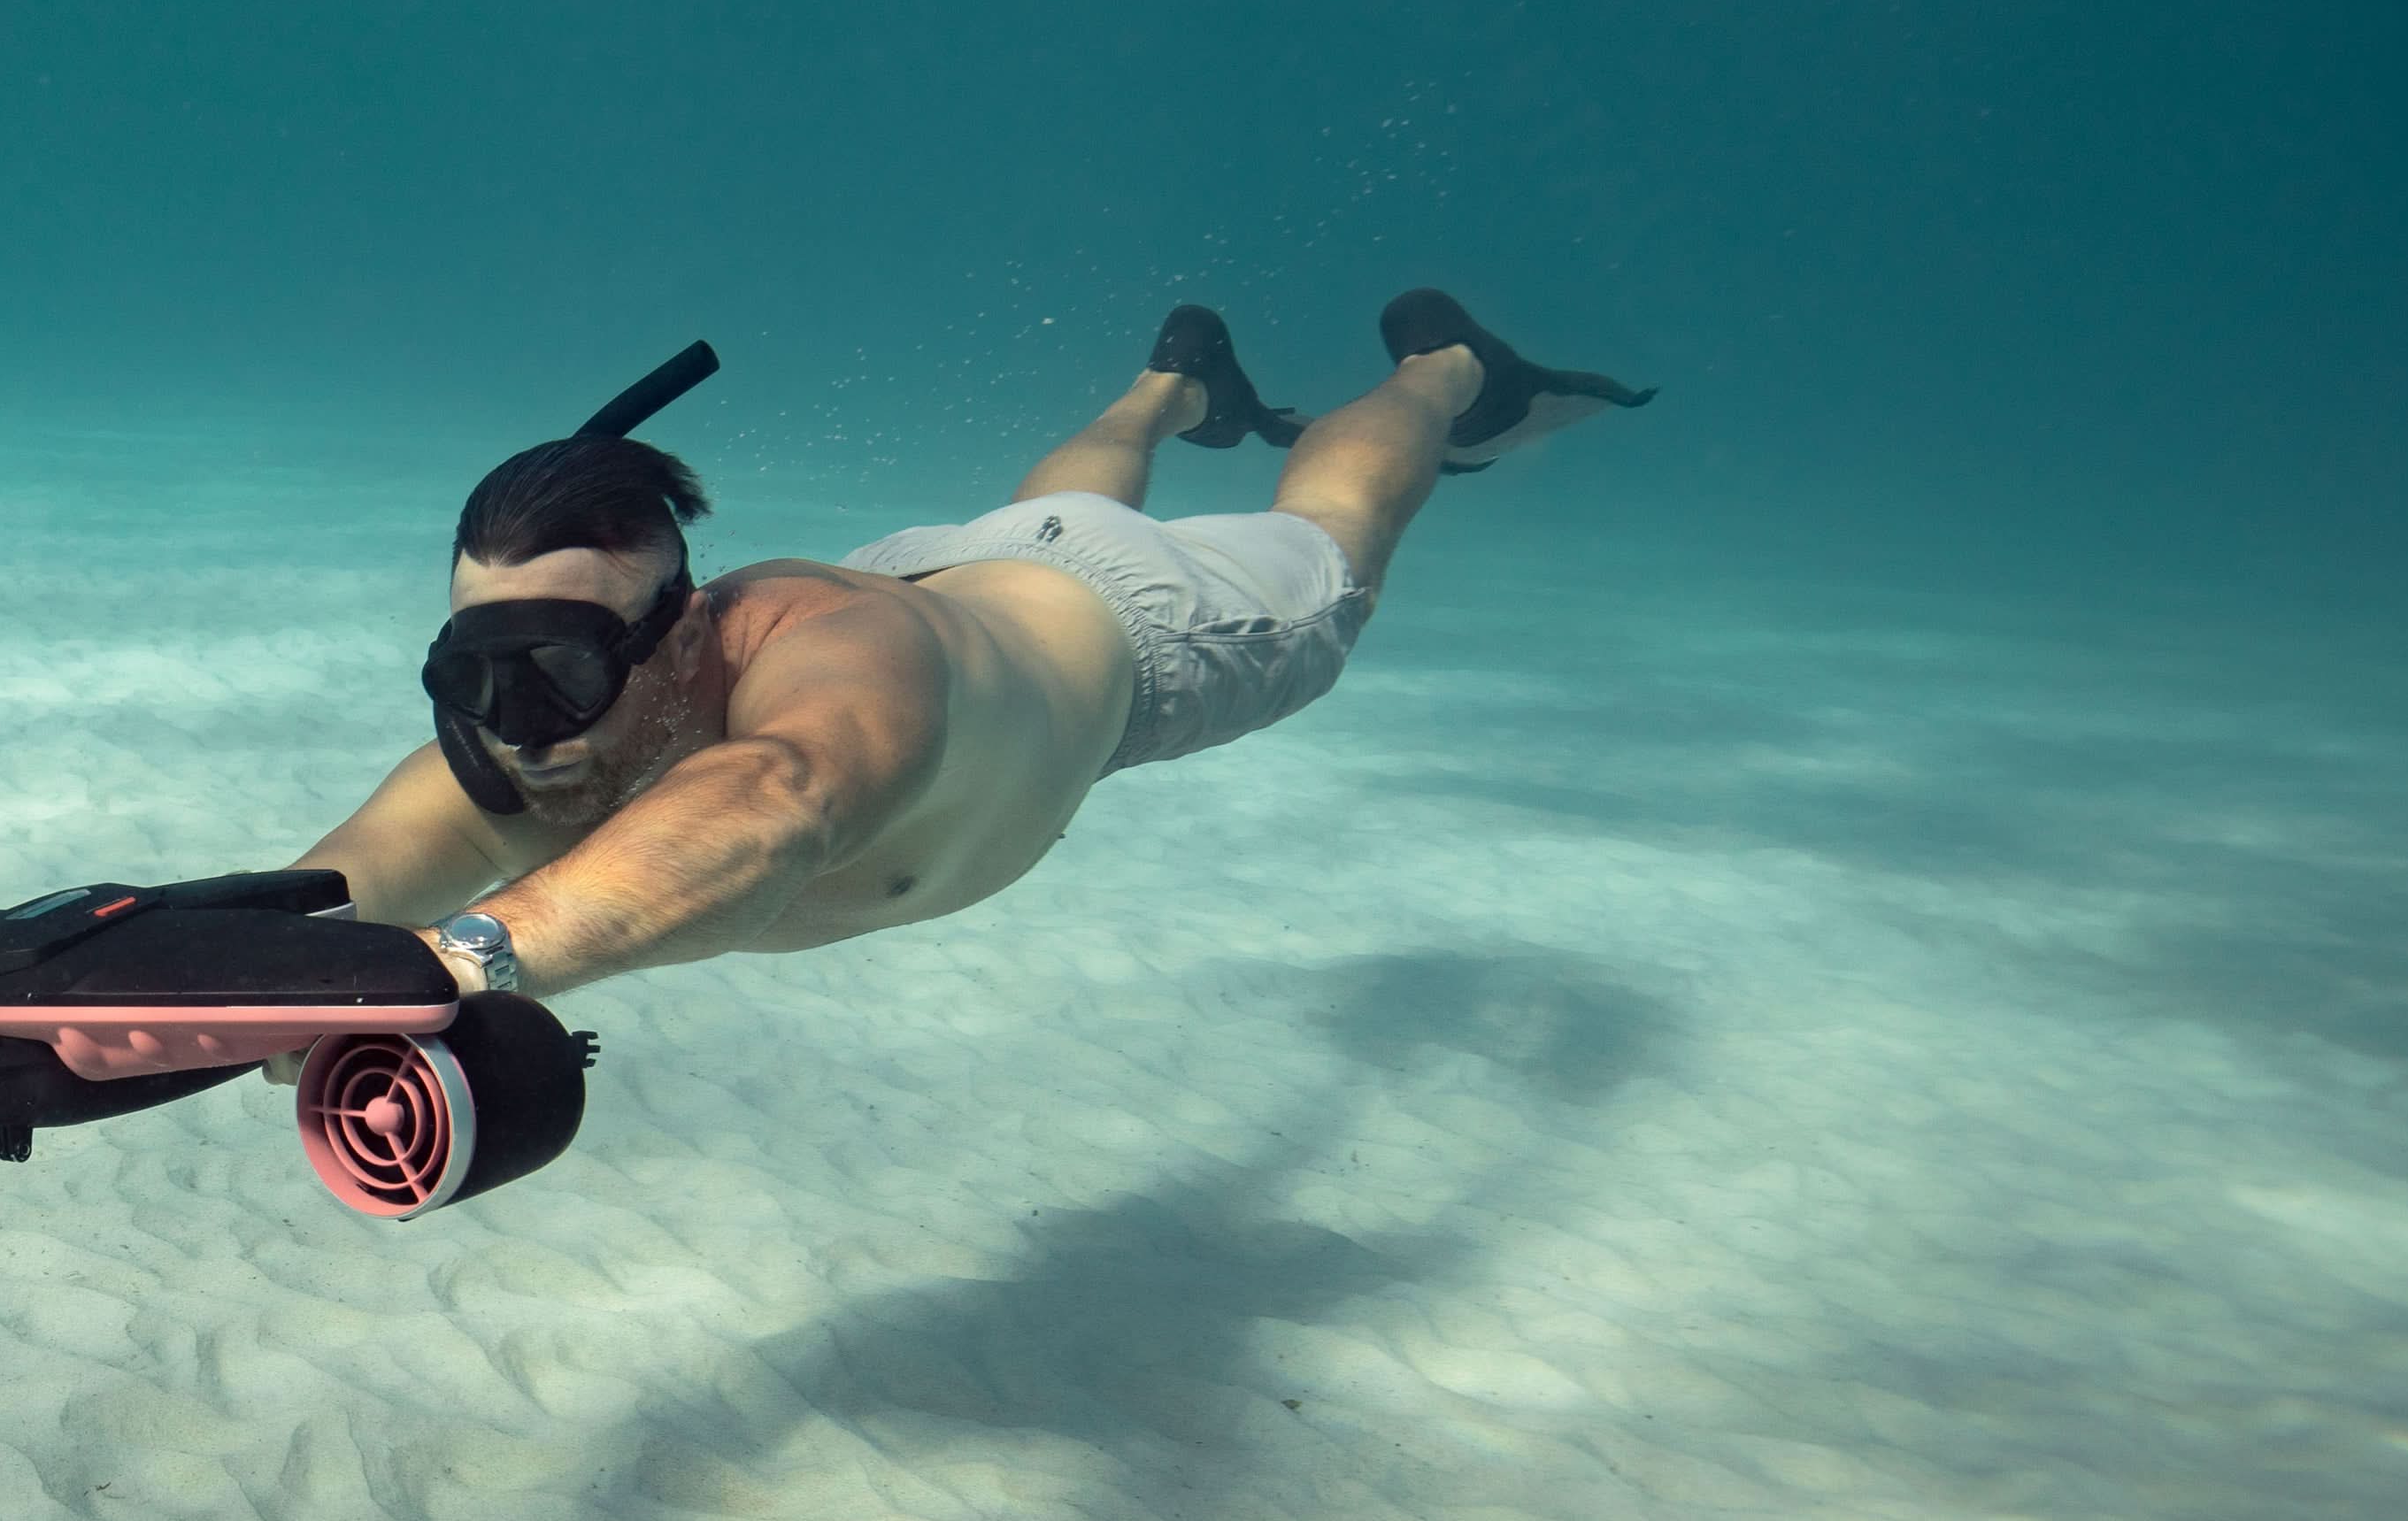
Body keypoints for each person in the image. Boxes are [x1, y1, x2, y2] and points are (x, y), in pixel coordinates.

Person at [289, 293, 1650, 1010]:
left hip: (1123, 620)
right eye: (476, 675)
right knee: (1038, 518)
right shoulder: (527, 731)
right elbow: (310, 908)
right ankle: (1172, 387)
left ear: (681, 631)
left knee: (1333, 544)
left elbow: (781, 797)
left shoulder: (845, 670)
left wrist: (460, 960)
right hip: (962, 566)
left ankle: (1444, 368)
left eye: (564, 670)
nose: (524, 725)